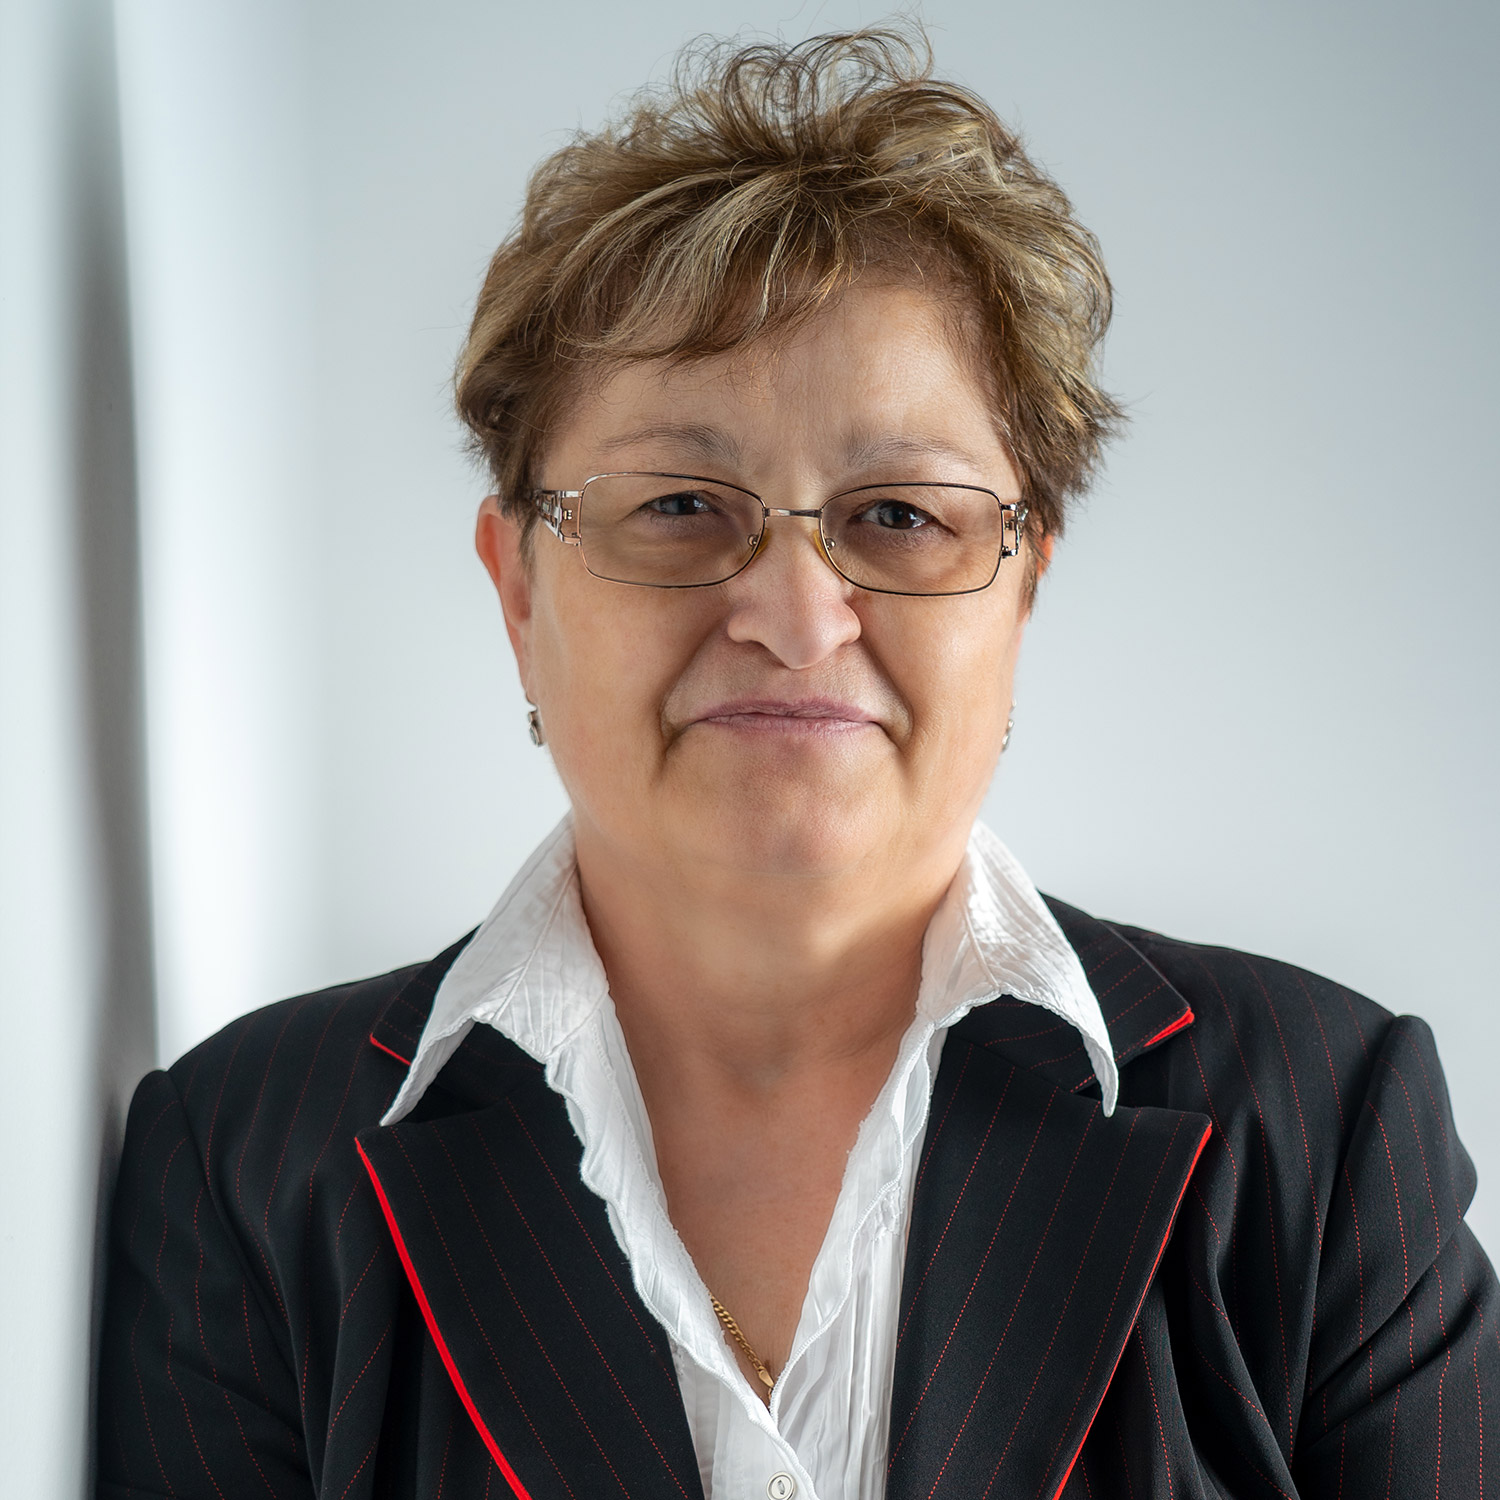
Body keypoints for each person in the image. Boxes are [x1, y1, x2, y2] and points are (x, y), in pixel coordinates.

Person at [96, 27, 1496, 1500]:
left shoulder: (1323, 1129)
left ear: (1022, 589)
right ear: (517, 589)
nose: (794, 615)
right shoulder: (248, 1165)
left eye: (900, 516)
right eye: (679, 504)